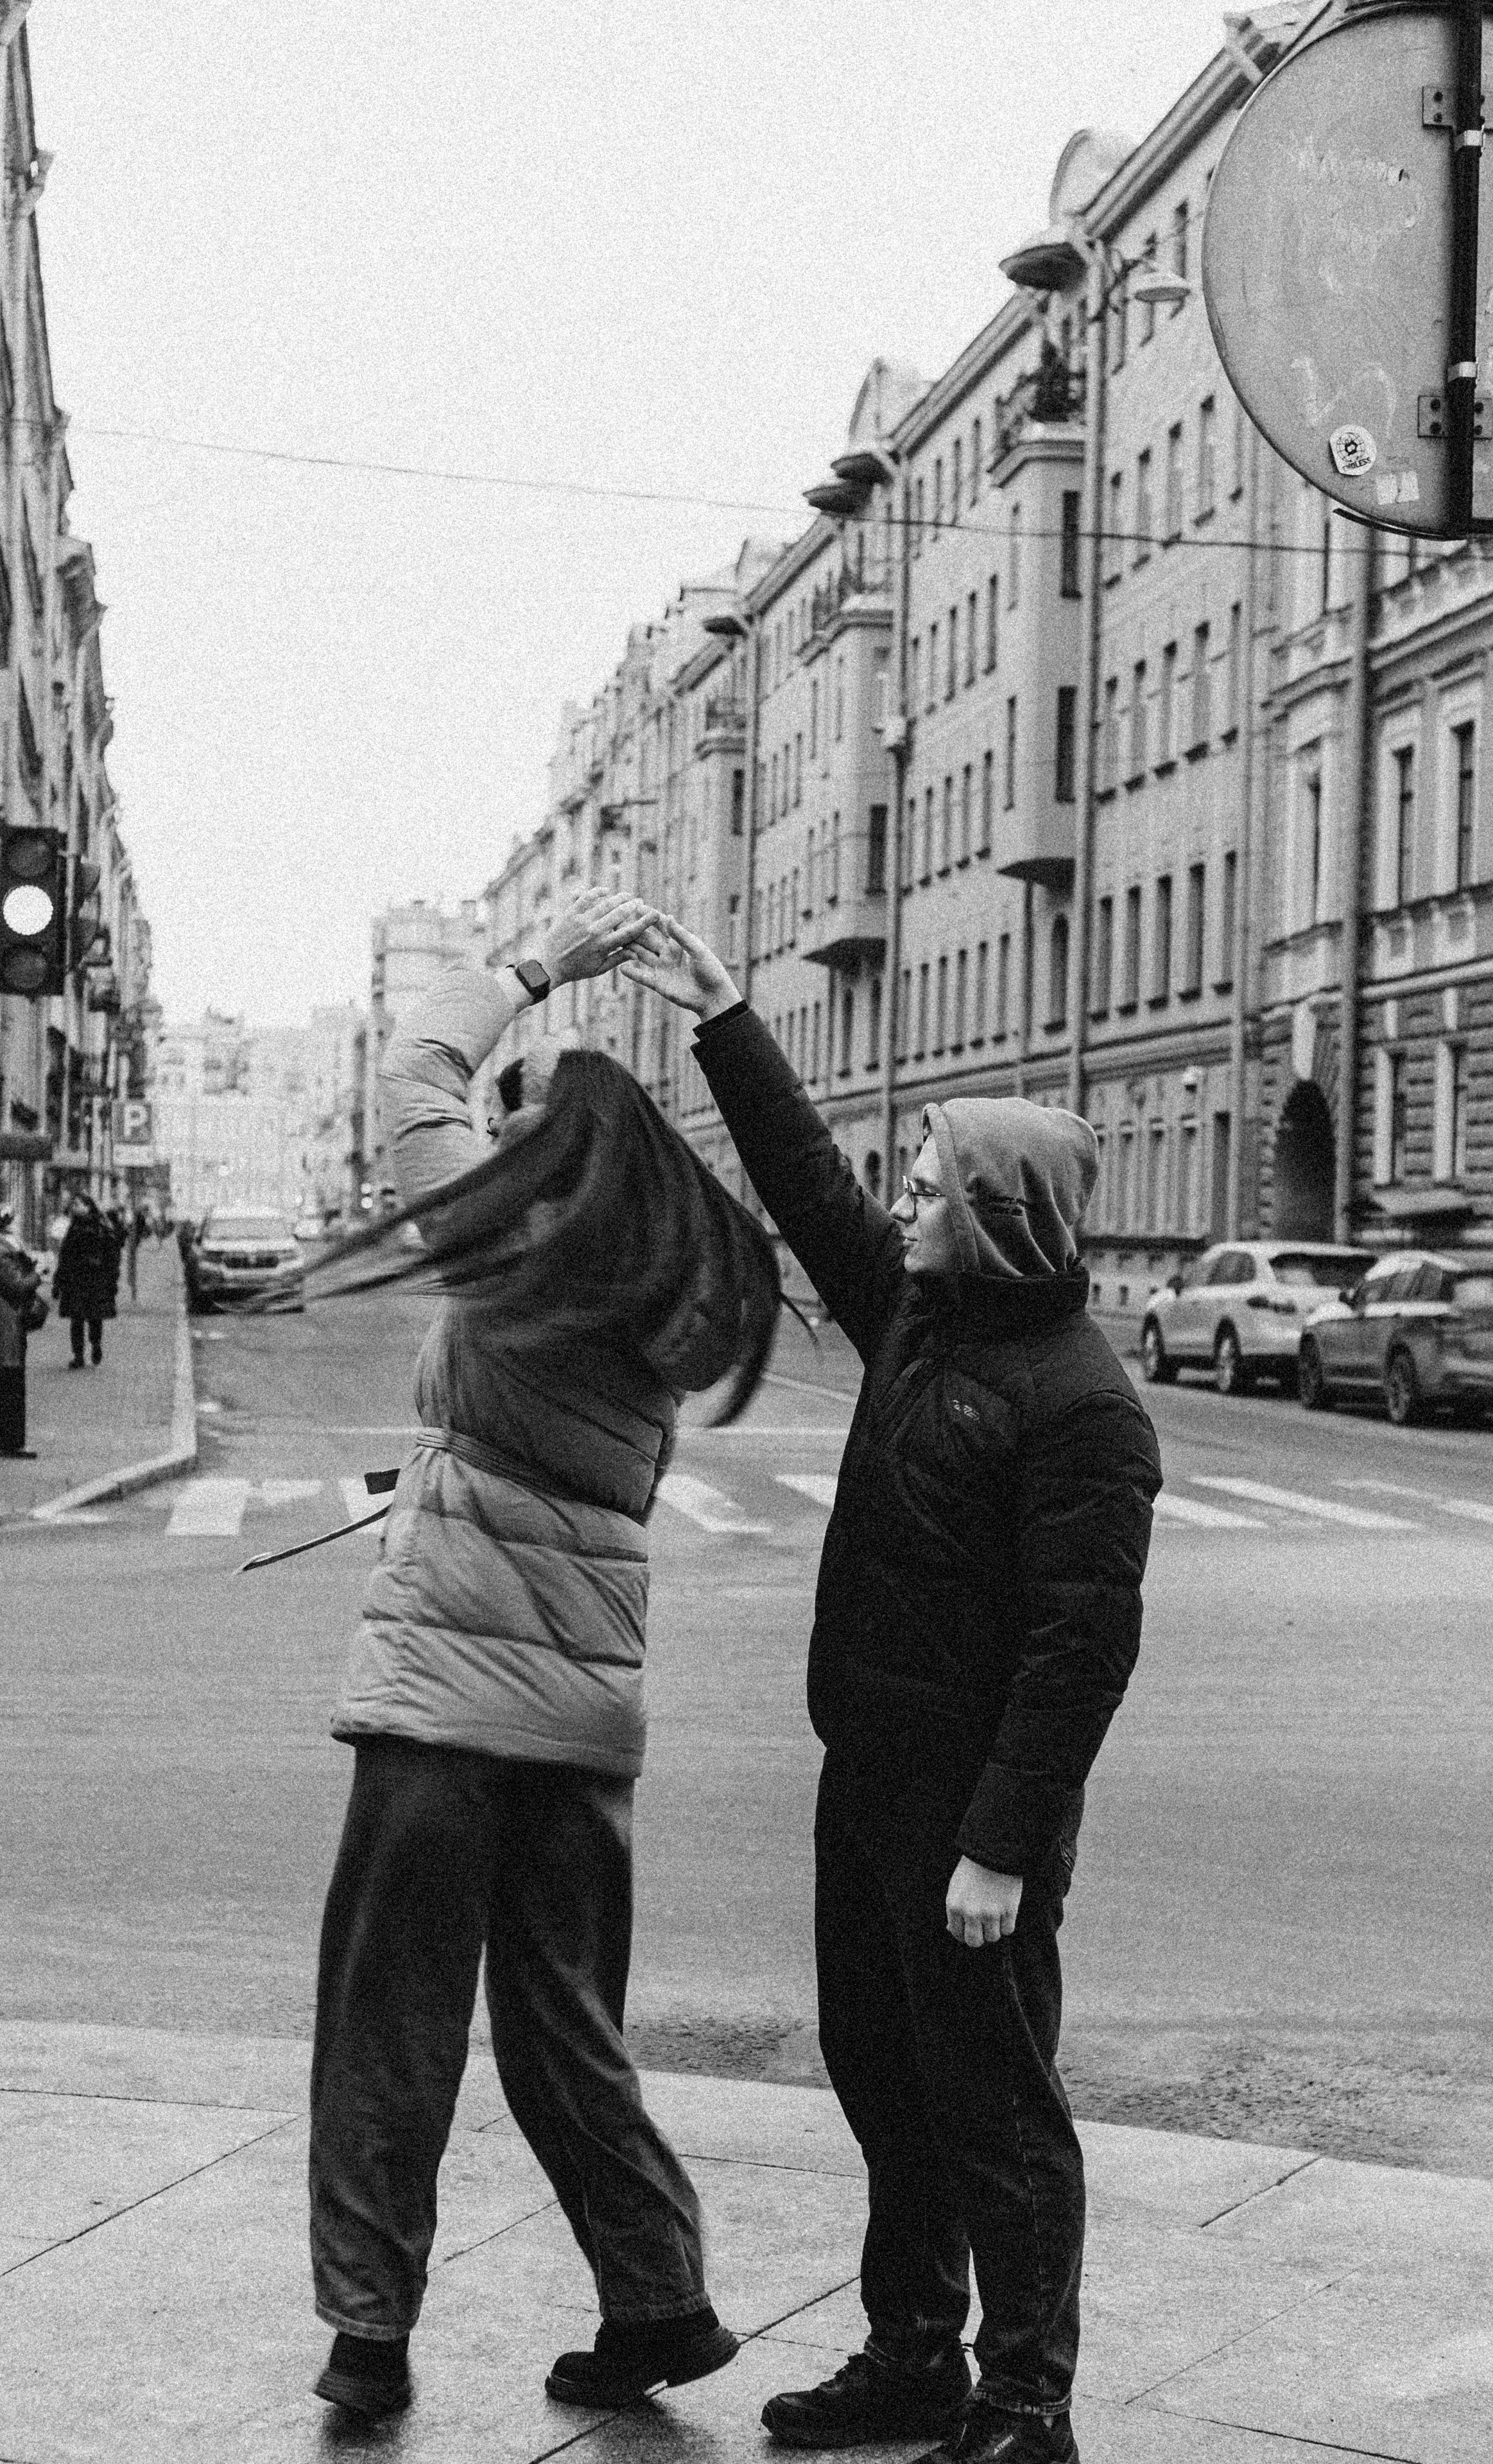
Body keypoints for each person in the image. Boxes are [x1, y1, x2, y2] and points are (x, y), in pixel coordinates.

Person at [625, 916, 1162, 2464]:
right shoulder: (921, 1325)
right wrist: (724, 1014)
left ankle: (1023, 2401)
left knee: (995, 2110)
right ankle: (912, 2352)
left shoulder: (1082, 1407)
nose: (904, 1202)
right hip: (863, 1778)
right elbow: (807, 1185)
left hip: (968, 1825)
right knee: (881, 2078)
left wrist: (997, 1845)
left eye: (929, 1186)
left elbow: (1079, 1650)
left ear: (990, 1217)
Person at [307, 887, 783, 2426]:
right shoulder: (675, 1292)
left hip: (444, 1702)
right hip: (586, 1704)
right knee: (563, 2018)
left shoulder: (503, 1237)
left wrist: (529, 969)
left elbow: (409, 1081)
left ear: (549, 1159)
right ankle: (660, 2295)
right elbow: (567, 1457)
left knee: (393, 2019)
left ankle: (369, 2337)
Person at [0, 1203, 43, 1459]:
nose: (17, 1227)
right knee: (11, 1384)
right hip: (5, 1326)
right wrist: (38, 1275)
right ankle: (11, 1443)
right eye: (13, 1223)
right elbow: (16, 1287)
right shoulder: (1, 1254)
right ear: (3, 1229)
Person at [53, 1192, 119, 1368]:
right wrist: (58, 1281)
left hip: (92, 1280)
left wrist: (112, 1280)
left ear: (88, 1206)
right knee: (78, 1319)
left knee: (92, 1318)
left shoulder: (100, 1227)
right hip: (78, 1281)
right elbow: (64, 1256)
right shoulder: (75, 1227)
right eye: (73, 1204)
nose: (75, 1207)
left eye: (79, 1204)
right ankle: (79, 1355)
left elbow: (112, 1256)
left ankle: (95, 1345)